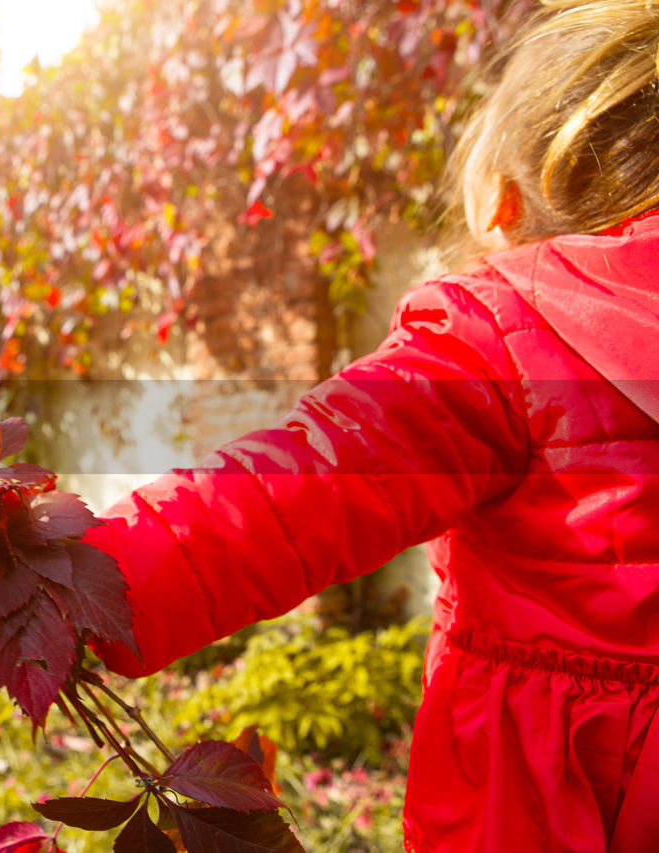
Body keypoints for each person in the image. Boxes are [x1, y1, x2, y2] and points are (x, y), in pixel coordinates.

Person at [80, 2, 659, 850]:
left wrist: (77, 584)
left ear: (503, 203)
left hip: (551, 800)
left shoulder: (506, 331)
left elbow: (300, 488)